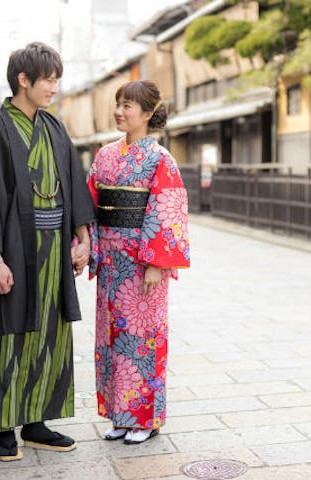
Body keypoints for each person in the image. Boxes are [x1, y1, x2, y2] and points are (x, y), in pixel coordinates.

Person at [0, 42, 95, 461]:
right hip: (14, 248)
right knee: (11, 335)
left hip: (53, 252)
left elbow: (73, 181)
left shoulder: (54, 128)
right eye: (49, 79)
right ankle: (4, 429)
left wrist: (83, 237)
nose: (54, 86)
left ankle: (36, 422)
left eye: (56, 79)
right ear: (23, 80)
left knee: (51, 332)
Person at [84, 80, 190, 444]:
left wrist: (157, 262)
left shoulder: (161, 159)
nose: (119, 111)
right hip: (112, 260)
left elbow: (168, 208)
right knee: (111, 337)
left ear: (147, 114)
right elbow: (91, 201)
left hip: (143, 262)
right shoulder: (105, 155)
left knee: (142, 340)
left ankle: (145, 418)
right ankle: (120, 414)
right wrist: (86, 243)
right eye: (118, 104)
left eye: (127, 106)